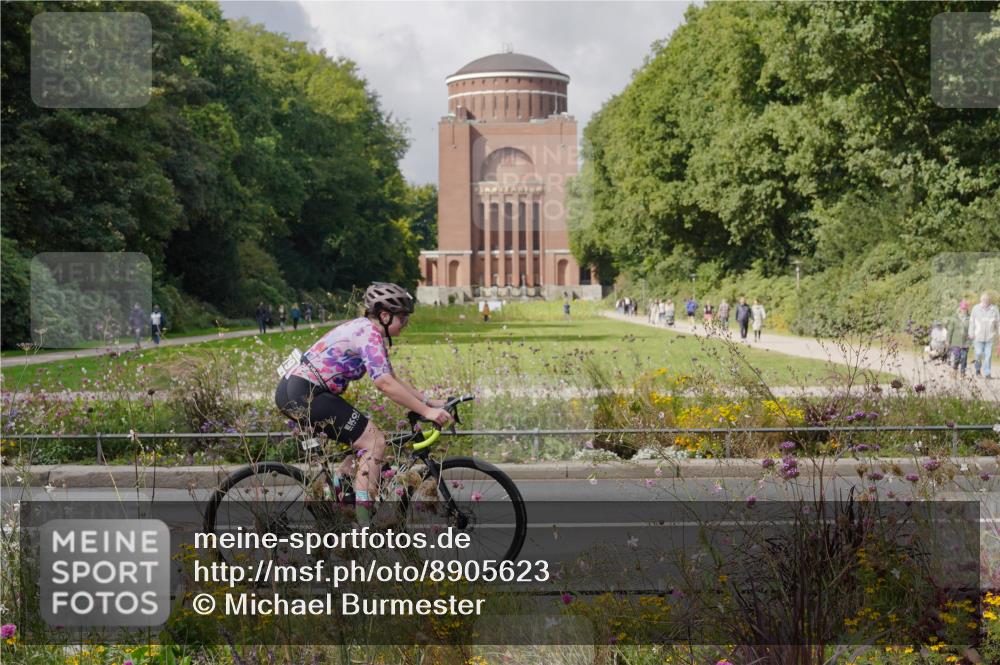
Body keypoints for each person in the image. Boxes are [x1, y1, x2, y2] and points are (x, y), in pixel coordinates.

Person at [275, 282, 452, 525]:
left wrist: (429, 402)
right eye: (403, 318)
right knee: (374, 441)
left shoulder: (366, 330)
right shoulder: (370, 336)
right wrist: (427, 412)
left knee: (361, 439)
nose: (406, 324)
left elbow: (392, 379)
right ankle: (363, 525)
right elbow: (384, 384)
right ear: (385, 316)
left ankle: (337, 492)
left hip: (298, 389)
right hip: (305, 393)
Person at [969, 292, 999, 379]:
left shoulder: (994, 309)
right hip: (978, 337)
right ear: (981, 300)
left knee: (988, 356)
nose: (985, 302)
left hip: (990, 337)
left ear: (989, 301)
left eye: (987, 300)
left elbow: (998, 323)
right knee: (978, 354)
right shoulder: (976, 308)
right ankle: (978, 370)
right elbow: (972, 322)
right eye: (983, 300)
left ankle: (987, 373)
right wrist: (971, 332)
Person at [947, 300, 971, 378]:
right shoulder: (954, 318)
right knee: (956, 358)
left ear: (967, 309)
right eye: (962, 308)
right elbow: (950, 330)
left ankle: (962, 373)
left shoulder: (970, 319)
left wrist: (971, 339)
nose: (963, 310)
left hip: (965, 343)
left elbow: (972, 330)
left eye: (965, 308)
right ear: (960, 308)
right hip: (955, 342)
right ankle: (954, 371)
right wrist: (948, 340)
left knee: (964, 358)